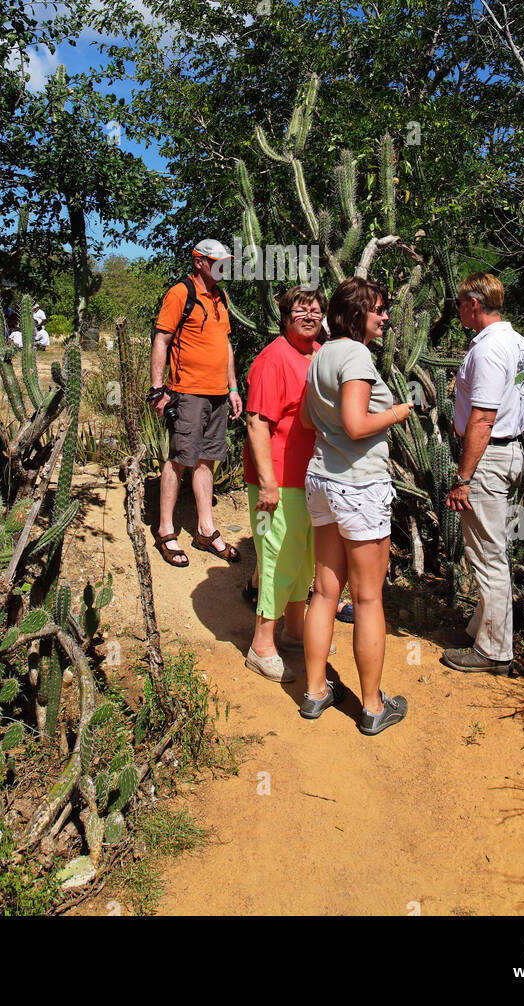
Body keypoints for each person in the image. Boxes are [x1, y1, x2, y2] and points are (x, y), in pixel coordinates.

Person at [300, 277, 414, 735]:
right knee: (367, 598)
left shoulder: (321, 354)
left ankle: (314, 692)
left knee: (326, 593)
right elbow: (355, 422)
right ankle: (371, 706)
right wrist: (396, 414)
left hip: (322, 480)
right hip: (359, 487)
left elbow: (309, 417)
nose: (385, 317)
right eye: (379, 310)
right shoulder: (358, 355)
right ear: (356, 315)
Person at [441, 273, 524, 674]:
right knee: (491, 547)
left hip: (487, 458)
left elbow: (482, 419)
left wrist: (463, 477)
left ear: (475, 304)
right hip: (511, 451)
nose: (458, 308)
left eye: (461, 302)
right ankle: (480, 628)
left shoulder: (488, 350)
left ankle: (494, 651)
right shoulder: (523, 346)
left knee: (487, 555)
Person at [244, 285, 329, 683]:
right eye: (301, 309)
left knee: (303, 557)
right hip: (279, 478)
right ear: (285, 315)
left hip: (309, 477)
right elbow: (257, 421)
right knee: (277, 557)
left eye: (315, 310)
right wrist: (267, 483)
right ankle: (262, 645)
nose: (309, 315)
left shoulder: (316, 355)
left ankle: (294, 631)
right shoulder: (273, 358)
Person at [149, 239, 243, 567]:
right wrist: (157, 389)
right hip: (187, 391)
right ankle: (165, 530)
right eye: (217, 261)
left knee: (207, 459)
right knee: (179, 459)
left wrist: (233, 388)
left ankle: (205, 529)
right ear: (199, 262)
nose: (223, 266)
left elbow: (225, 344)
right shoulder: (180, 293)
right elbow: (161, 340)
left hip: (218, 394)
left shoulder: (221, 297)